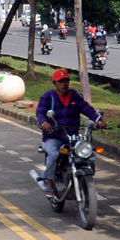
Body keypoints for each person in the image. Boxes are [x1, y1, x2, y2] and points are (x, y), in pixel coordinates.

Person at [35, 69, 105, 198]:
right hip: (53, 136)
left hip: (72, 136)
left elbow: (86, 109)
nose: (64, 84)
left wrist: (98, 120)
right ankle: (49, 181)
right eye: (60, 82)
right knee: (54, 153)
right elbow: (40, 111)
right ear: (54, 83)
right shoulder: (48, 97)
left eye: (66, 81)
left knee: (87, 154)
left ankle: (87, 183)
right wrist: (44, 122)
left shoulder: (74, 96)